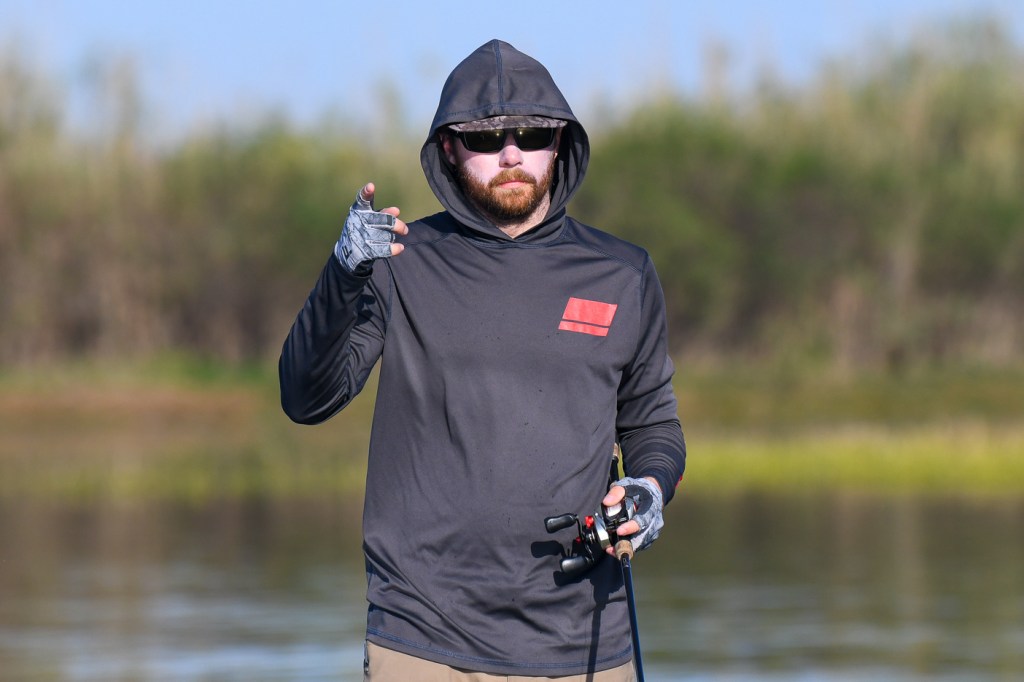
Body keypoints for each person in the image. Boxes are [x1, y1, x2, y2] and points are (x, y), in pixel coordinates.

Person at [280, 39, 686, 681]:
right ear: (448, 148)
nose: (512, 154)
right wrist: (342, 271)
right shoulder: (396, 262)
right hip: (422, 638)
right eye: (487, 139)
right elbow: (306, 399)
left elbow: (653, 426)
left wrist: (649, 489)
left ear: (560, 142)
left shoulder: (622, 273)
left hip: (585, 638)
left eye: (533, 135)